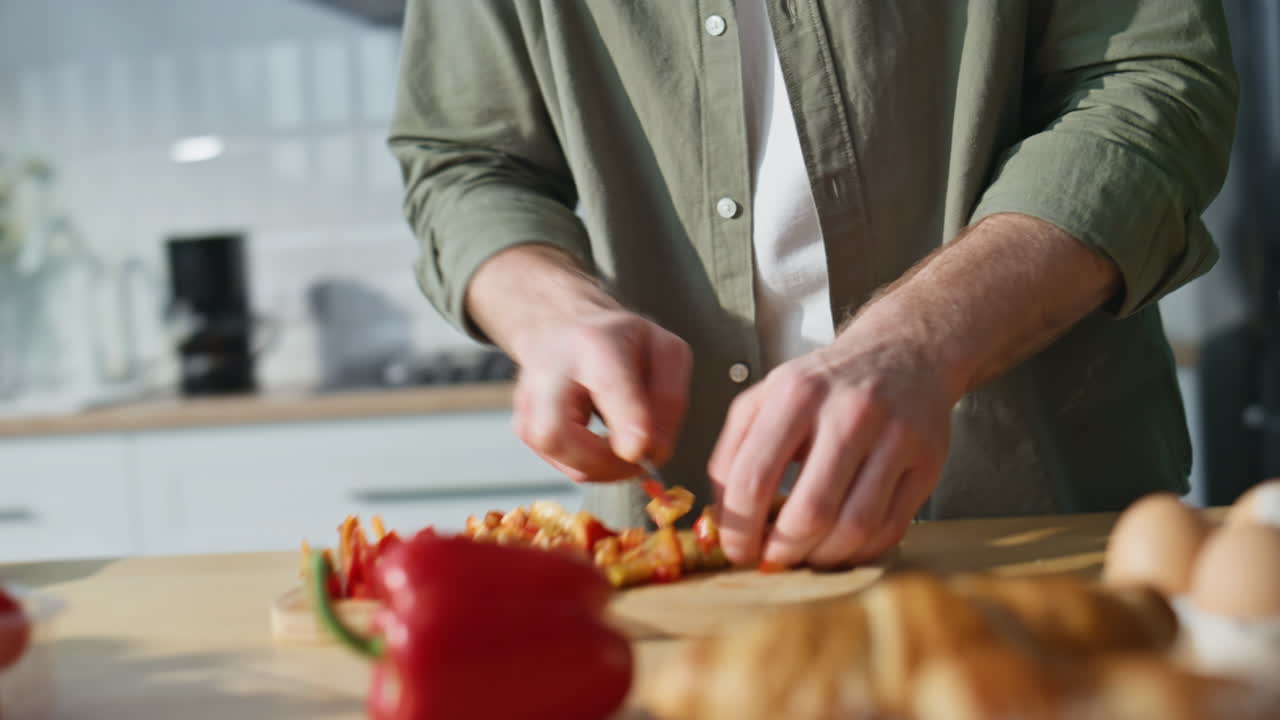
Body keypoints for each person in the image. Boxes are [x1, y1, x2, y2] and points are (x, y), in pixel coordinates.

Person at [388, 1, 1238, 569]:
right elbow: (467, 160)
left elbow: (1155, 84)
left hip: (1030, 522)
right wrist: (553, 313)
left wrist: (920, 341)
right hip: (678, 561)